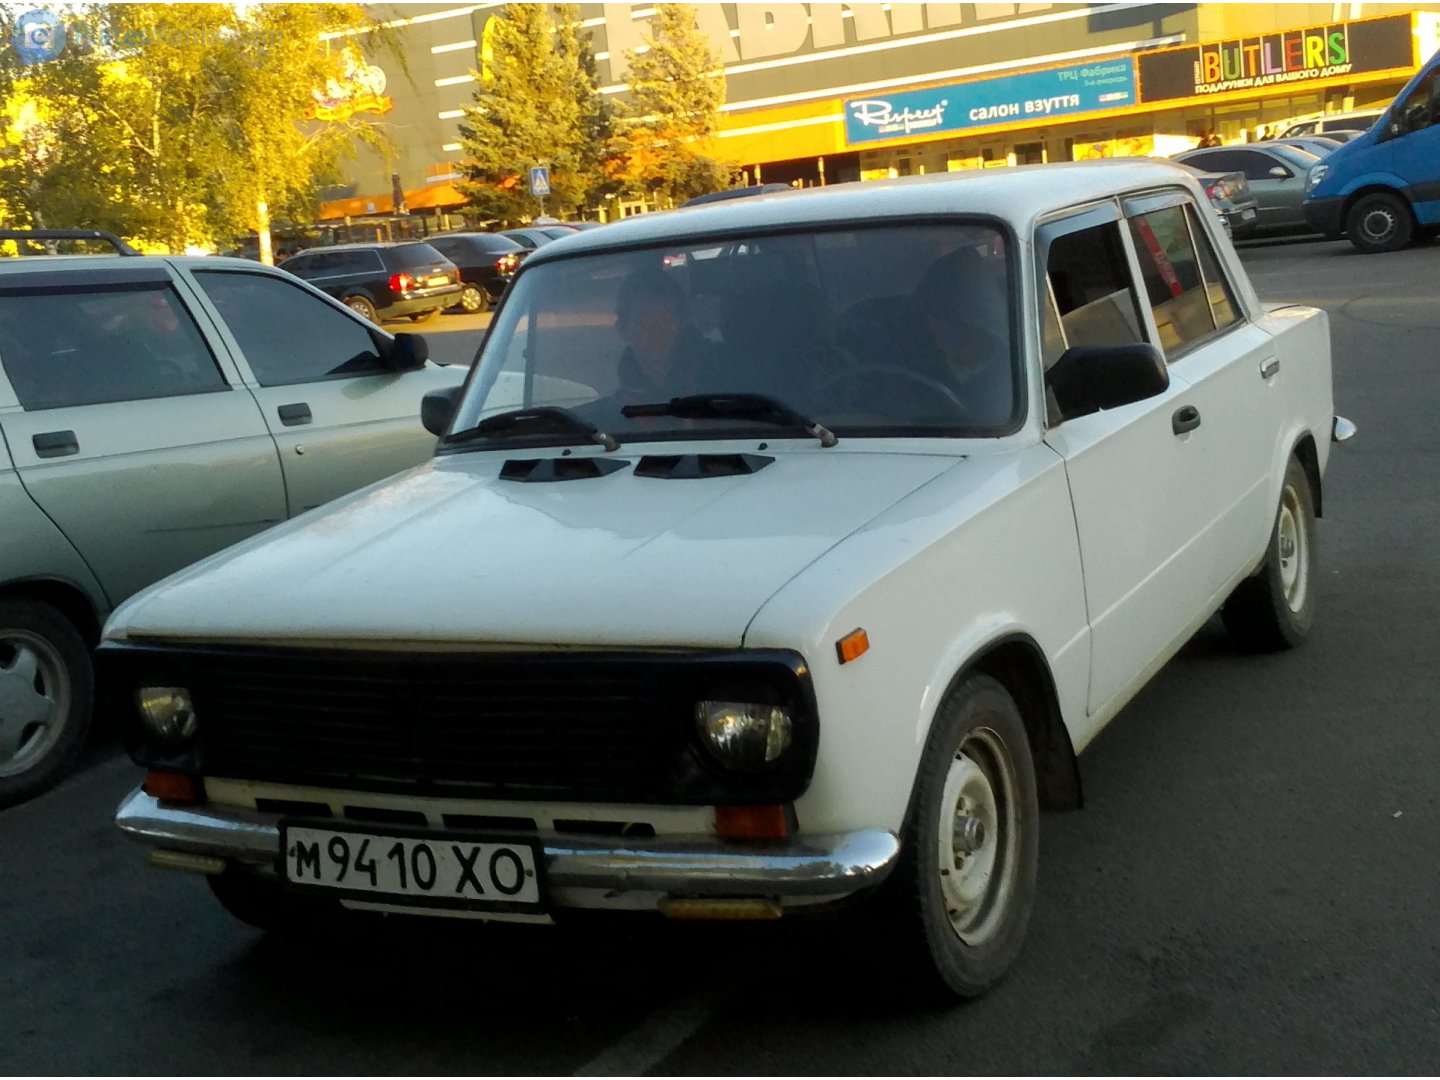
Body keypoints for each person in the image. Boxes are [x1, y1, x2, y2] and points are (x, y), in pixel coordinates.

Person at [908, 246, 1015, 427]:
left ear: (974, 323)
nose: (935, 335)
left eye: (945, 324)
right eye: (929, 325)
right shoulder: (916, 363)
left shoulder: (1014, 375)